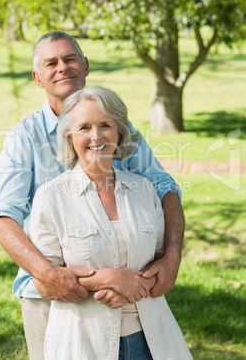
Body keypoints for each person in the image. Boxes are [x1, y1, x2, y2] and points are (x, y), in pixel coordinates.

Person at [0, 31, 185, 359]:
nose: (62, 68)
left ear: (85, 65)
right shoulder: (24, 138)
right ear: (38, 78)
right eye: (51, 63)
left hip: (130, 296)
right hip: (51, 295)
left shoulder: (115, 129)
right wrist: (50, 275)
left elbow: (164, 188)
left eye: (69, 59)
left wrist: (172, 257)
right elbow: (4, 217)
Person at [28, 85, 192, 360]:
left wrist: (130, 290)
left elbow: (162, 264)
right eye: (84, 127)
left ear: (119, 132)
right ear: (70, 137)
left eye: (105, 125)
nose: (96, 136)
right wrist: (107, 279)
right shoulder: (51, 197)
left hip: (151, 341)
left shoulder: (144, 190)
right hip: (82, 345)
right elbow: (44, 284)